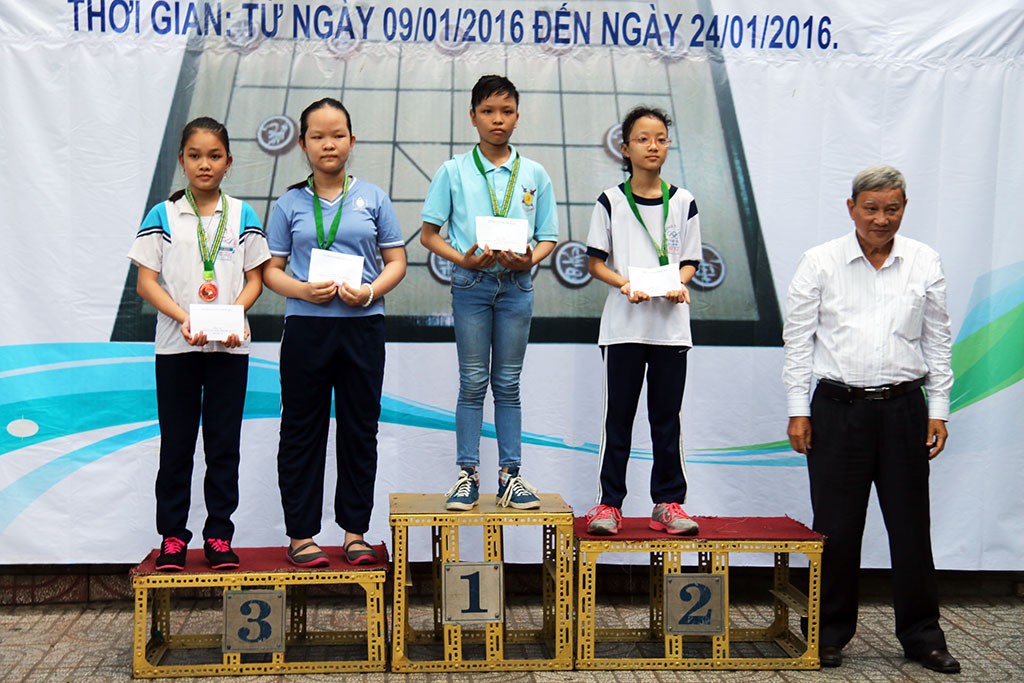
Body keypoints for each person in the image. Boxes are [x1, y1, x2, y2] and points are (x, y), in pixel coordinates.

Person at [782, 165, 959, 673]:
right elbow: (798, 342)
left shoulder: (924, 260)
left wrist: (938, 410)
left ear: (904, 208)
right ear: (852, 208)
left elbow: (937, 341)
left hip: (905, 409)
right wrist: (798, 410)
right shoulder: (819, 262)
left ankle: (923, 637)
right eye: (871, 208)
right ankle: (827, 633)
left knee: (911, 528)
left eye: (892, 209)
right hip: (837, 411)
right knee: (836, 530)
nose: (881, 219)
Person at [264, 98, 407, 568]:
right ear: (302, 144)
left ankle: (354, 533)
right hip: (307, 328)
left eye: (338, 135)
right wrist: (303, 290)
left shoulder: (374, 198)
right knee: (301, 431)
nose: (329, 144)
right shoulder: (289, 203)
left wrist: (370, 292)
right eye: (319, 136)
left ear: (351, 140)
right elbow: (271, 271)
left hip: (363, 327)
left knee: (360, 431)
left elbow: (396, 262)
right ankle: (301, 536)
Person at [128, 116, 270, 572]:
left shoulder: (242, 215)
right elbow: (146, 283)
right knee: (177, 446)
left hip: (229, 349)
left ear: (229, 161)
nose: (204, 164)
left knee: (223, 446)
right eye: (195, 156)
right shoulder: (163, 215)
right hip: (177, 348)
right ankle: (173, 537)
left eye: (214, 156)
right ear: (181, 161)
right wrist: (184, 317)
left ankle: (219, 536)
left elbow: (255, 280)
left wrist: (235, 316)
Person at [420, 75, 558, 511]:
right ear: (473, 117)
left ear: (517, 117)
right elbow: (428, 235)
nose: (497, 120)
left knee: (508, 384)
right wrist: (462, 259)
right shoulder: (454, 170)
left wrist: (530, 258)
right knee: (473, 381)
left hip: (517, 286)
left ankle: (510, 477)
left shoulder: (534, 173)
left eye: (506, 111)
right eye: (488, 111)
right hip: (471, 286)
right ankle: (467, 475)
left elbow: (548, 237)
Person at [582, 106, 702, 537]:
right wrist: (625, 284)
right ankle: (608, 505)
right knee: (618, 419)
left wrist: (678, 283)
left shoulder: (683, 201)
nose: (653, 146)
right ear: (625, 147)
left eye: (661, 139)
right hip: (623, 329)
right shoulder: (610, 201)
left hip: (670, 329)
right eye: (643, 139)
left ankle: (667, 503)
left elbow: (689, 261)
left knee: (667, 420)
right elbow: (595, 262)